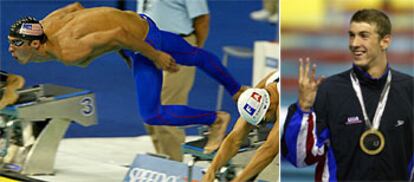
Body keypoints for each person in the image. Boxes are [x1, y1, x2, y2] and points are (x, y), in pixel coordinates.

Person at [7, 2, 246, 154]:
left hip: (141, 41)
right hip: (141, 21)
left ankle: (215, 120)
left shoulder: (68, 51)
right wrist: (112, 40)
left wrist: (154, 55)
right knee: (195, 55)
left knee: (152, 114)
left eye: (16, 44)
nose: (11, 50)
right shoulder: (45, 24)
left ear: (36, 44)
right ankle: (237, 89)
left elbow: (118, 34)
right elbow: (76, 7)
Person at [282, 9, 413, 181]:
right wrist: (304, 108)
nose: (354, 43)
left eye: (363, 35)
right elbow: (300, 159)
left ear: (385, 41)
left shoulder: (409, 90)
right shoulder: (329, 91)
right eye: (351, 35)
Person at [135, 0, 211, 162]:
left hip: (178, 47)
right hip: (150, 49)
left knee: (166, 109)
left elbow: (202, 19)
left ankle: (175, 169)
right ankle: (164, 162)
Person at [202, 71, 279, 182]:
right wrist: (211, 172)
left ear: (270, 108)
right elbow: (234, 139)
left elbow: (269, 150)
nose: (263, 126)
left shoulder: (285, 107)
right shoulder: (261, 91)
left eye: (263, 122)